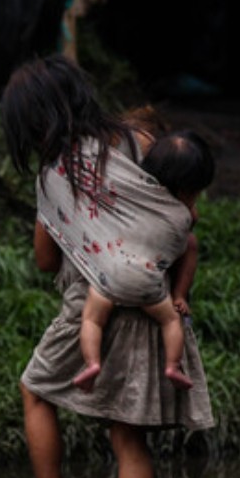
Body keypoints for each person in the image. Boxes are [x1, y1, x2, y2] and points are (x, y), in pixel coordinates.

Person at [0, 54, 214, 478]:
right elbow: (184, 220)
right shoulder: (139, 141)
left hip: (90, 303)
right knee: (129, 436)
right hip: (153, 304)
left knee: (35, 390)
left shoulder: (55, 176)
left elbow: (48, 261)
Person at [74, 129, 214, 393]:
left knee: (91, 319)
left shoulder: (129, 195)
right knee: (171, 321)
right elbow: (190, 226)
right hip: (148, 286)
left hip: (110, 278)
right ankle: (172, 365)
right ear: (189, 189)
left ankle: (91, 364)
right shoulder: (184, 216)